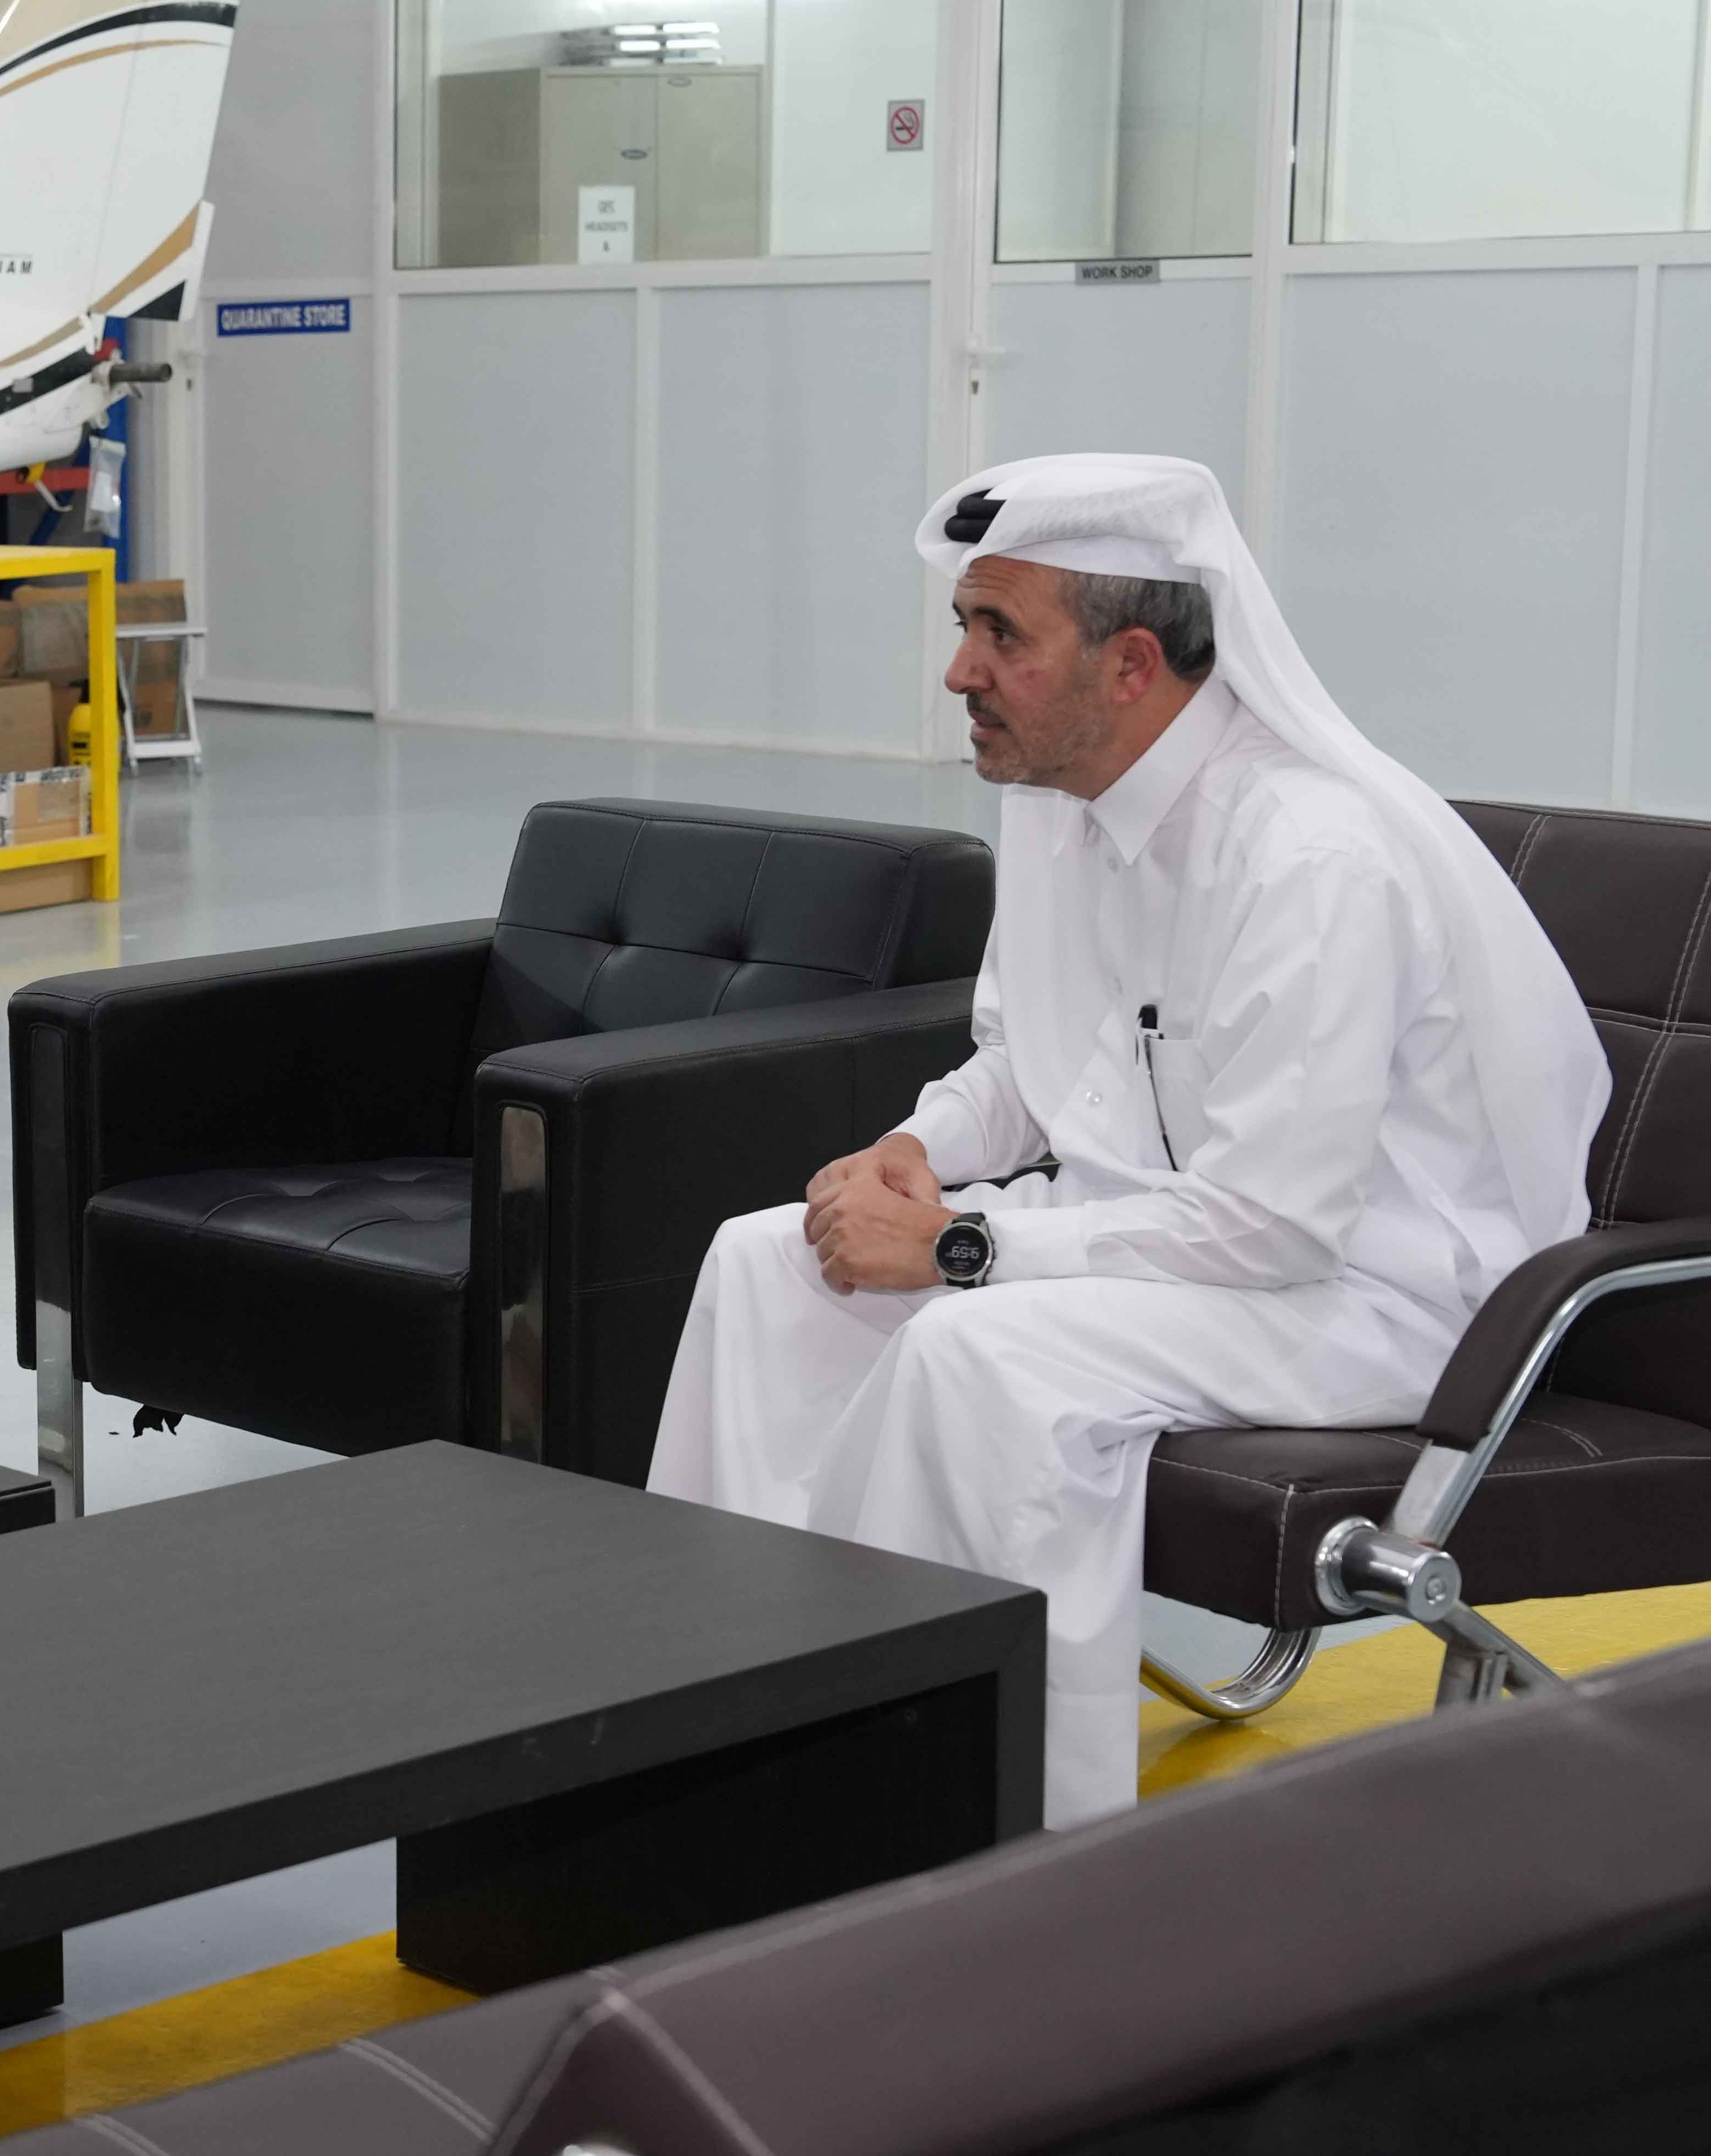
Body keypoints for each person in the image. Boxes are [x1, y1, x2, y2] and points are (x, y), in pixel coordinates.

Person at [647, 453, 1610, 1830]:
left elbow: (1274, 1225)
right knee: (769, 1262)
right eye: (963, 626)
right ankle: (736, 1746)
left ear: (1133, 663)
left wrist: (961, 1245)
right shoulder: (1061, 803)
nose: (959, 673)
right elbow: (1030, 1060)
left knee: (980, 1351)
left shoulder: (1307, 856)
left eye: (1001, 634)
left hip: (1370, 1296)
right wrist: (916, 1149)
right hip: (1194, 1244)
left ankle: (980, 1827)